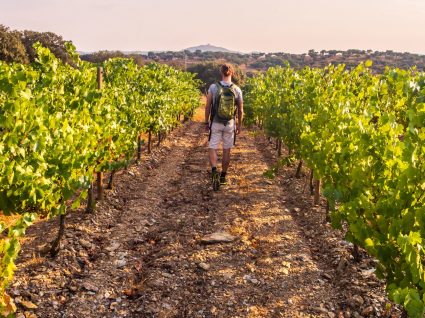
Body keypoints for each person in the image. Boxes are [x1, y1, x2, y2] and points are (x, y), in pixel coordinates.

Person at [204, 63, 244, 190]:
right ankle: (223, 177)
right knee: (227, 150)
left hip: (216, 122)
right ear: (232, 73)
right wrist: (239, 125)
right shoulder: (237, 89)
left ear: (221, 73)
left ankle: (214, 170)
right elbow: (241, 110)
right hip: (229, 123)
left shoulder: (213, 87)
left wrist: (206, 122)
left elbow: (208, 106)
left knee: (213, 147)